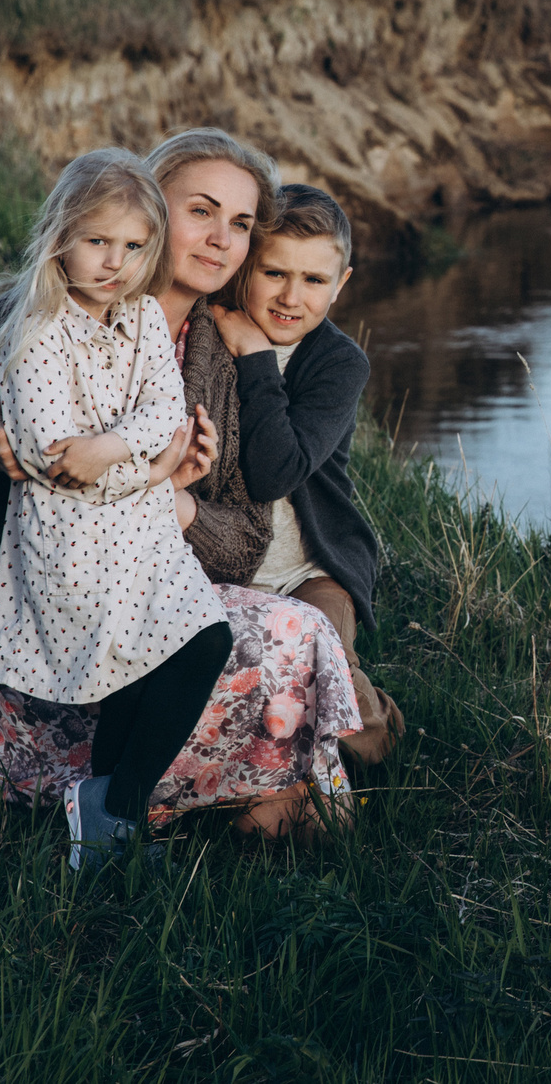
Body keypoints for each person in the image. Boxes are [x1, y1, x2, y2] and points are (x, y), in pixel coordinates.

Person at [0, 129, 367, 837]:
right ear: (150, 205)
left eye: (240, 223)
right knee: (244, 682)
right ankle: (168, 793)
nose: (220, 238)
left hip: (145, 596)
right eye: (201, 211)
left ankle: (150, 800)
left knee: (296, 633)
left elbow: (244, 543)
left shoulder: (218, 351)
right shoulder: (39, 310)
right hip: (34, 602)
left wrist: (179, 503)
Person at [0, 149, 230, 868]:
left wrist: (115, 449)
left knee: (202, 641)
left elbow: (166, 409)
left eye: (135, 245)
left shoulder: (143, 315)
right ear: (61, 236)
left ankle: (109, 811)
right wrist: (152, 470)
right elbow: (54, 463)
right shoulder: (35, 332)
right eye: (98, 241)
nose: (115, 262)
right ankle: (113, 827)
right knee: (134, 666)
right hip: (71, 544)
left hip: (145, 536)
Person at [207, 187, 400, 768]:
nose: (292, 297)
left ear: (341, 284)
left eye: (314, 280)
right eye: (275, 273)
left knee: (323, 667)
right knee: (253, 687)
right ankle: (269, 772)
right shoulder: (210, 334)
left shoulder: (339, 363)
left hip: (311, 567)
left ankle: (380, 733)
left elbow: (275, 472)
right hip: (223, 563)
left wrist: (256, 358)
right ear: (246, 265)